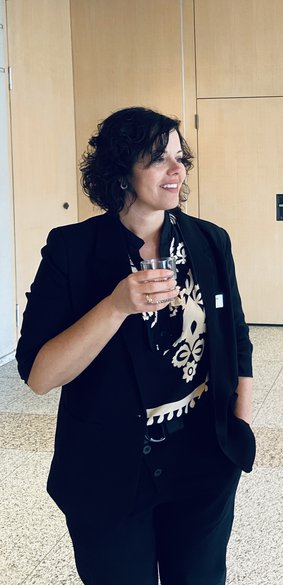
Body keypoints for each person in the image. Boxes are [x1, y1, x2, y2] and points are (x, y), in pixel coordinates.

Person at [16, 107, 255, 585]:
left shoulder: (210, 241)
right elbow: (39, 375)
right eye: (158, 158)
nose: (177, 169)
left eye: (180, 157)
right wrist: (114, 307)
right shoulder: (72, 250)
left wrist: (239, 428)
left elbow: (237, 338)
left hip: (203, 460)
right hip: (108, 470)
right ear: (121, 169)